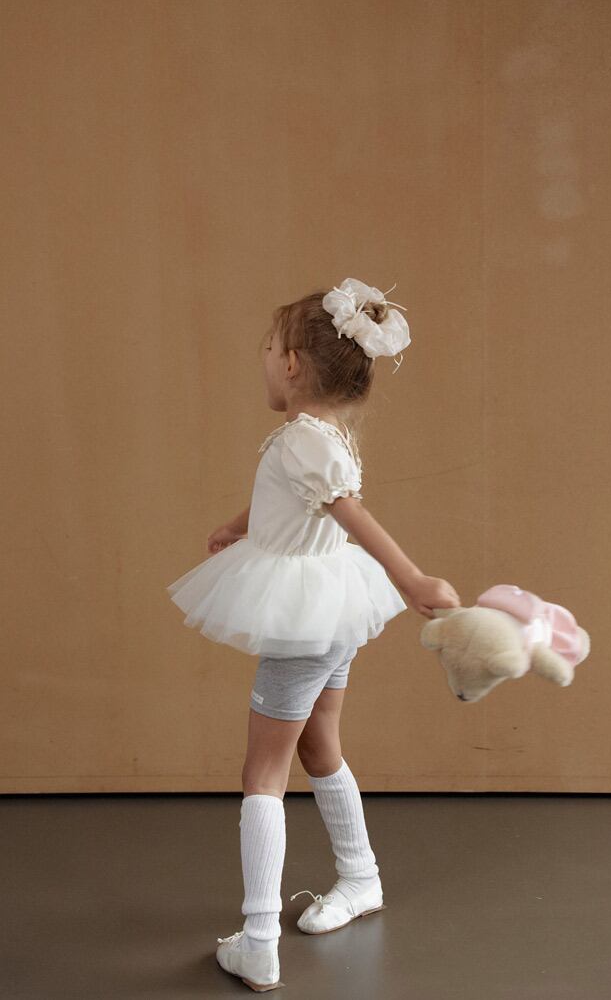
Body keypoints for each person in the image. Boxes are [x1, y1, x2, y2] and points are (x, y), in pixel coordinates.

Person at [166, 277, 461, 992]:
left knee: (262, 776)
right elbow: (301, 498)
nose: (265, 360)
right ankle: (361, 877)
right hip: (331, 611)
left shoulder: (304, 439)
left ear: (293, 363)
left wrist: (412, 579)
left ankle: (259, 938)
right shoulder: (323, 437)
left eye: (269, 349)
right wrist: (239, 524)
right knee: (320, 745)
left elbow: (352, 515)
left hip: (304, 619)